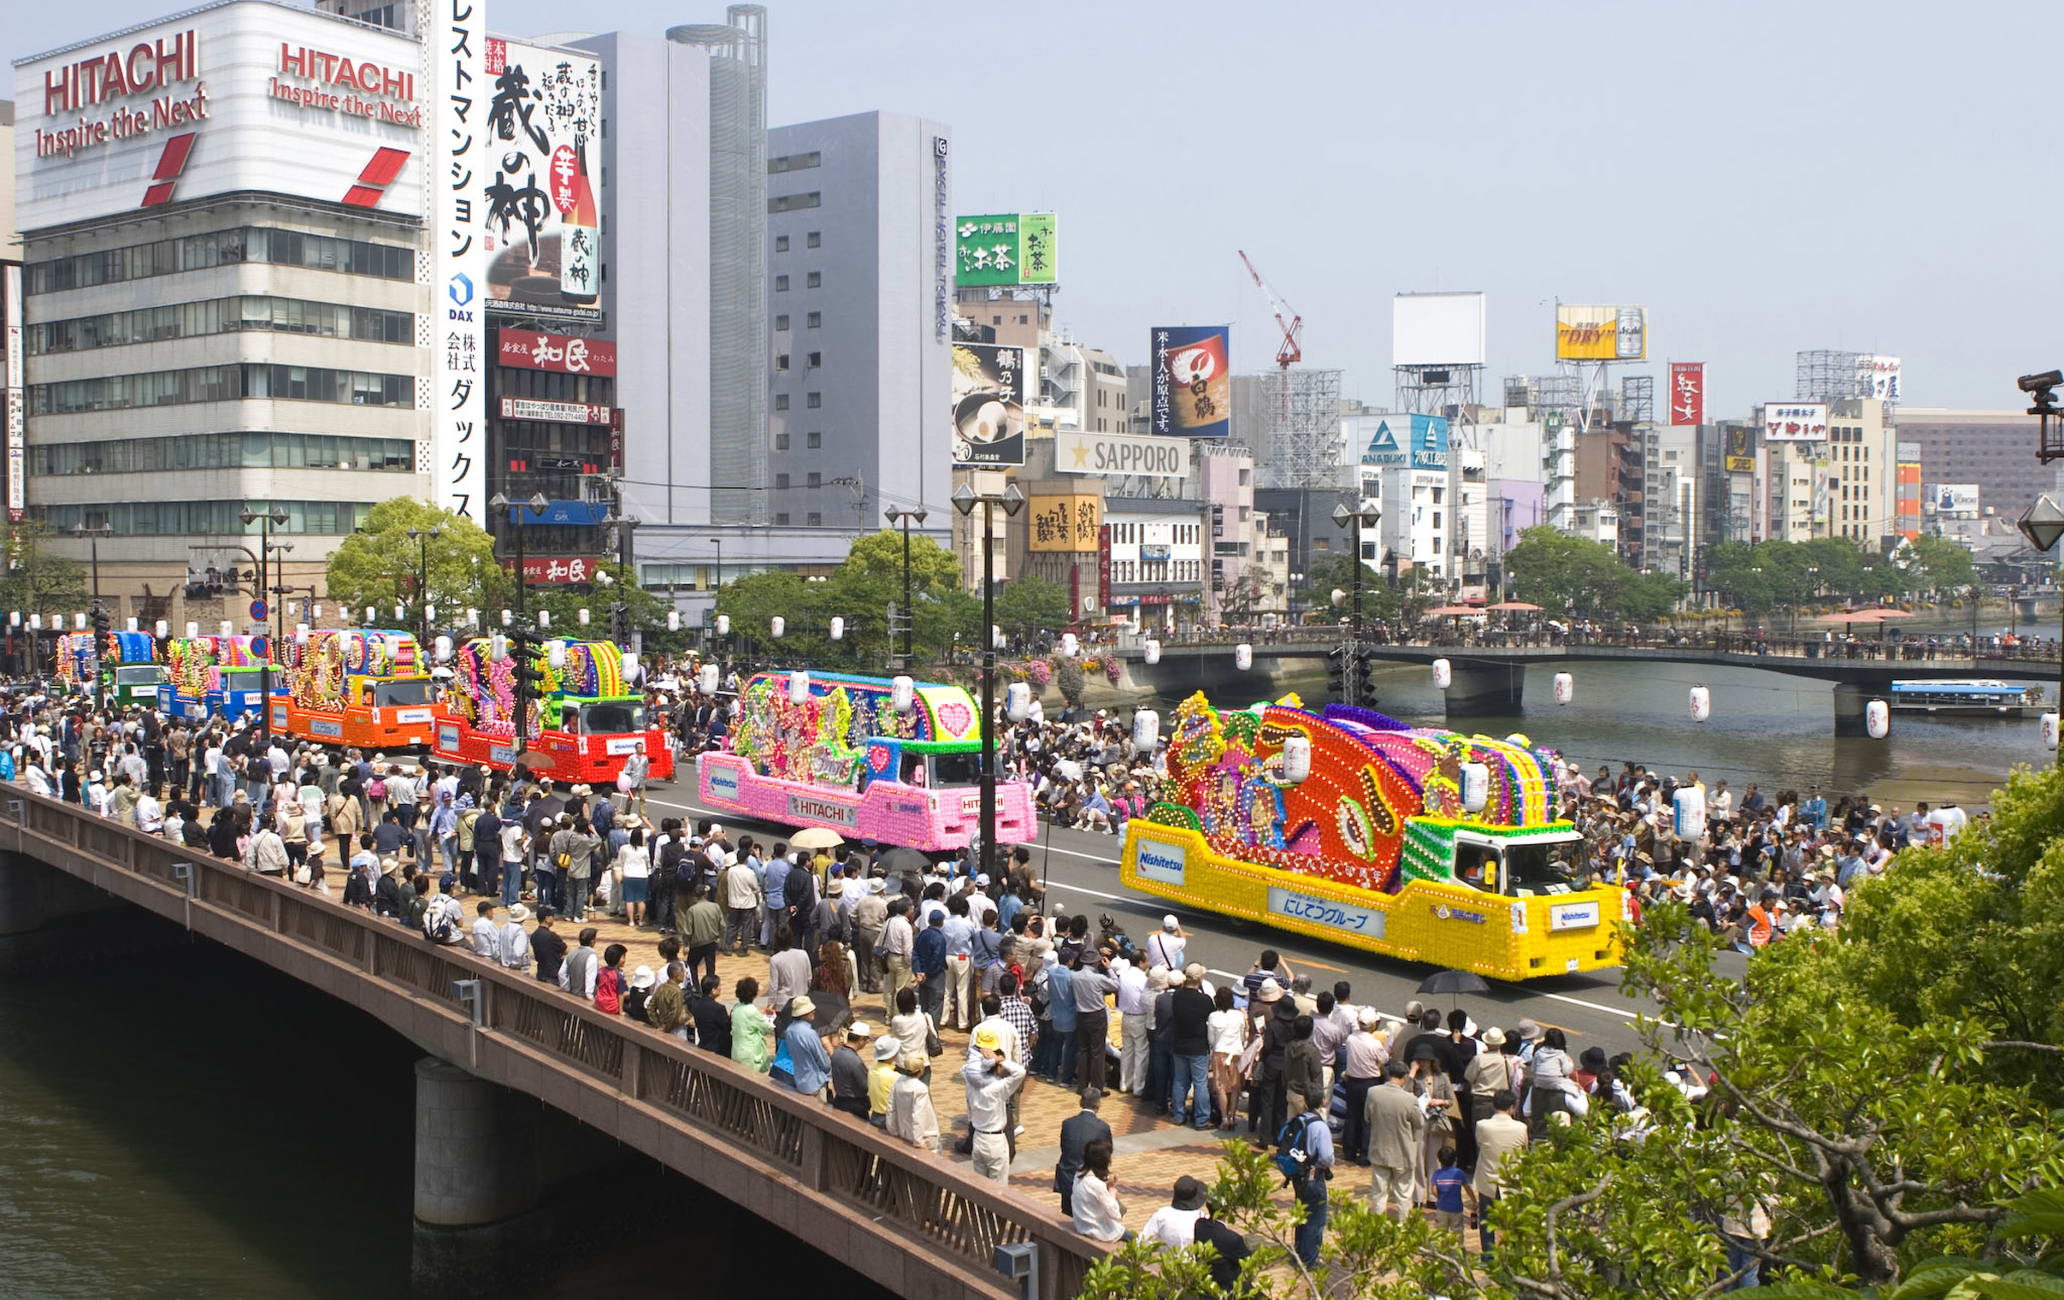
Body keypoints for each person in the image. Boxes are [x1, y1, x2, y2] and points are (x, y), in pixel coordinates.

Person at [962, 1024, 1026, 1184]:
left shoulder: (970, 1084)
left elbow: (967, 1068)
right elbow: (1020, 1072)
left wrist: (981, 1056)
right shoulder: (997, 1088)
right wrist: (1000, 1059)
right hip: (995, 1141)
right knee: (998, 1191)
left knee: (980, 1187)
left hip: (978, 1138)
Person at [1365, 1059, 1425, 1222]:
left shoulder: (1373, 1092)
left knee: (1379, 1194)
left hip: (1379, 1150)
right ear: (1405, 1077)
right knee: (1404, 1195)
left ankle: (1377, 1229)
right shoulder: (1410, 1099)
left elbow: (1367, 1117)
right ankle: (1403, 1230)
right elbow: (1419, 1123)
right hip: (1403, 1153)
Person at [1473, 1089, 1528, 1260]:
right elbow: (1524, 1150)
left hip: (1488, 1179)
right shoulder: (1521, 1127)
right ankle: (1514, 1254)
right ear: (1512, 1107)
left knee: (1487, 1219)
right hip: (1511, 1180)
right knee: (1513, 1221)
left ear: (1493, 1105)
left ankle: (1488, 1256)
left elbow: (1480, 1144)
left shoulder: (1482, 1125)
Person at [1279, 1097, 1334, 1268]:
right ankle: (1310, 1259)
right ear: (1323, 1101)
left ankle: (1300, 1252)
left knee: (1302, 1213)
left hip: (1297, 1174)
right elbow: (1326, 1157)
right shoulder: (1320, 1126)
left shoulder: (1297, 1120)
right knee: (1316, 1218)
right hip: (1313, 1175)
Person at [1166, 962, 1215, 1129]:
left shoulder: (1178, 996)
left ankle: (1179, 1115)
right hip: (1198, 1046)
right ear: (1200, 979)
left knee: (1180, 1080)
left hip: (1179, 1044)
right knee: (1200, 1083)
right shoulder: (1205, 1000)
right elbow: (1211, 1017)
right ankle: (1201, 1119)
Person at [1054, 1087, 1112, 1217]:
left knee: (1067, 1215)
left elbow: (1064, 1147)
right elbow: (1106, 1155)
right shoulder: (1103, 1127)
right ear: (1098, 1104)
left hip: (1067, 1179)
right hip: (1089, 1183)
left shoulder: (1068, 1123)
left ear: (1081, 1102)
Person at [1206, 985, 1248, 1135]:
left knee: (1221, 1087)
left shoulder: (1213, 1016)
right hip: (1236, 1053)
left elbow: (1211, 1039)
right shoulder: (1238, 1015)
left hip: (1220, 1053)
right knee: (1235, 1087)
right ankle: (1232, 1116)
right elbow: (1243, 1036)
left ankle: (1224, 1118)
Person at [1070, 1136, 1128, 1243]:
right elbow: (1115, 1213)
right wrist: (1112, 1193)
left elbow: (1092, 1192)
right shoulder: (1096, 1184)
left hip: (1081, 1225)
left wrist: (1107, 1184)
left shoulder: (1079, 1172)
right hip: (1099, 1231)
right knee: (1136, 1239)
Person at [774, 996, 832, 1098]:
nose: (813, 1012)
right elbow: (823, 1062)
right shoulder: (809, 1033)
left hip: (800, 1081)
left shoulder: (789, 1031)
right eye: (810, 1010)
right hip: (814, 1083)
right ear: (803, 1014)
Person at [886, 1051, 940, 1152]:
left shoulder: (897, 1082)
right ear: (921, 1070)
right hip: (925, 1135)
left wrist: (893, 1131)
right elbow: (918, 1116)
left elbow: (890, 1109)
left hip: (904, 1133)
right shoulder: (921, 1089)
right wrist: (919, 1141)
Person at [1139, 1176, 1208, 1249]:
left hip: (1168, 1259)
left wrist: (1162, 1248)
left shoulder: (1162, 1214)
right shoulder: (1202, 1218)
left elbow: (1143, 1241)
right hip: (1196, 1259)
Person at [729, 977, 774, 1074]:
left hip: (736, 1052)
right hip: (750, 1056)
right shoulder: (752, 1011)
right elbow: (767, 1028)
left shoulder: (736, 1008)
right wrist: (767, 1016)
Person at [829, 1022, 872, 1117]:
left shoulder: (837, 1052)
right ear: (861, 1040)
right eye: (866, 1040)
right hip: (854, 1107)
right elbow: (865, 1086)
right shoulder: (855, 1061)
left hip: (839, 1100)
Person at [1430, 1145, 1471, 1235]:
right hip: (1457, 1208)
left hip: (1442, 1207)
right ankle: (1459, 1247)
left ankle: (1442, 1247)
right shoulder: (1459, 1173)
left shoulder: (1437, 1173)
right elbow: (1467, 1188)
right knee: (1457, 1229)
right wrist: (1474, 1200)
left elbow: (1433, 1190)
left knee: (1441, 1230)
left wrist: (1440, 1197)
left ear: (1439, 1160)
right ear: (1455, 1159)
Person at [648, 962, 691, 1041]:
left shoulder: (661, 987)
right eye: (683, 972)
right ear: (677, 974)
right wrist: (666, 1029)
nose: (684, 975)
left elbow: (650, 1007)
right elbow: (675, 1014)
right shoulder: (677, 992)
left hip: (663, 1024)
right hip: (677, 1029)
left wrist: (658, 1025)